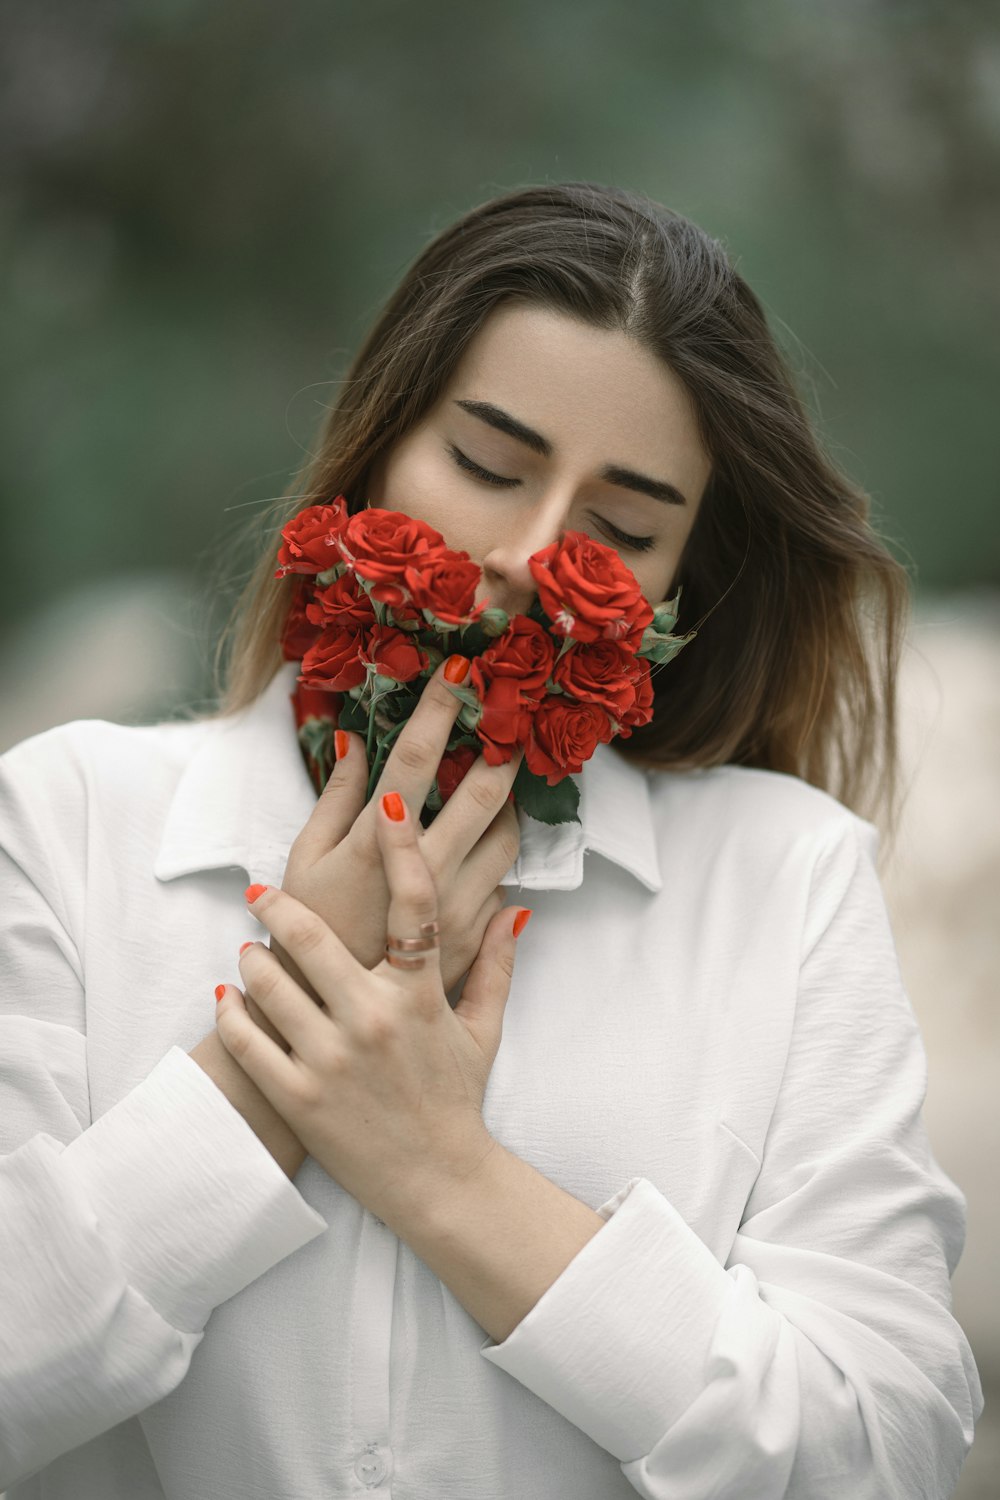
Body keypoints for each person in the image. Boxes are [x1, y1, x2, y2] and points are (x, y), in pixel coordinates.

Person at [0, 182, 981, 1499]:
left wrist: (447, 1172)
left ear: (678, 586)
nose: (530, 551)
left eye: (622, 529)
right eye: (486, 464)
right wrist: (283, 1054)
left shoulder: (785, 879)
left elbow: (886, 1448)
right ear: (375, 447)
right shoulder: (67, 820)